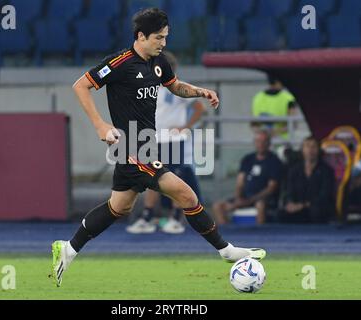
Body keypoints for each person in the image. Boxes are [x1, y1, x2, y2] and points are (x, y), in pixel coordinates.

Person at [50, 8, 265, 287]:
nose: (163, 43)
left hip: (146, 145)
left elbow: (174, 86)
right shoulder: (120, 62)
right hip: (130, 146)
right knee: (185, 194)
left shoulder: (158, 61)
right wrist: (100, 125)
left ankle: (68, 248)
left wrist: (200, 91)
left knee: (120, 207)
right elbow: (81, 86)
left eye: (165, 37)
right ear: (140, 36)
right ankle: (225, 250)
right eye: (158, 38)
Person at [126, 51, 205, 235]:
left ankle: (176, 216)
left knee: (176, 178)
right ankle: (148, 216)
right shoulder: (148, 87)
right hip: (155, 140)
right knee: (153, 178)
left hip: (173, 141)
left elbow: (199, 107)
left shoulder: (177, 87)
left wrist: (185, 126)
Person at [212, 130, 282, 225]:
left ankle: (260, 235)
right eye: (258, 141)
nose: (260, 144)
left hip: (263, 199)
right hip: (244, 197)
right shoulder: (248, 159)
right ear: (254, 142)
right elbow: (240, 183)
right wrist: (238, 198)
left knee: (260, 205)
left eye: (264, 141)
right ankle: (228, 235)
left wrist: (250, 200)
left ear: (269, 143)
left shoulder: (274, 161)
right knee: (218, 206)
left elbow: (271, 188)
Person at [279, 136, 336, 223]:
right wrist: (290, 203)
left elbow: (325, 196)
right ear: (302, 150)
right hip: (297, 208)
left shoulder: (327, 171)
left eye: (313, 146)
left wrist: (304, 205)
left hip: (317, 208)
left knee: (316, 211)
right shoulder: (294, 170)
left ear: (319, 150)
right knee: (281, 214)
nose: (310, 150)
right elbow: (289, 191)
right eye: (307, 146)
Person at [251, 74, 297, 139]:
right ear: (278, 81)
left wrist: (265, 134)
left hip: (266, 141)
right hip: (280, 140)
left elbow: (253, 125)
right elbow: (294, 124)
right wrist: (272, 133)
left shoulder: (257, 97)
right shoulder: (288, 98)